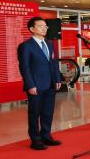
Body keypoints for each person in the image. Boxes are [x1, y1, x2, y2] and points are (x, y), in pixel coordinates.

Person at [17, 17, 62, 151]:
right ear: (32, 29)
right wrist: (30, 85)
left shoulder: (49, 43)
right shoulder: (26, 46)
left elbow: (53, 63)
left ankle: (46, 136)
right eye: (41, 26)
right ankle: (35, 139)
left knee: (48, 112)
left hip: (50, 83)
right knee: (34, 113)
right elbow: (24, 67)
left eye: (45, 26)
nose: (44, 28)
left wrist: (57, 79)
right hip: (36, 85)